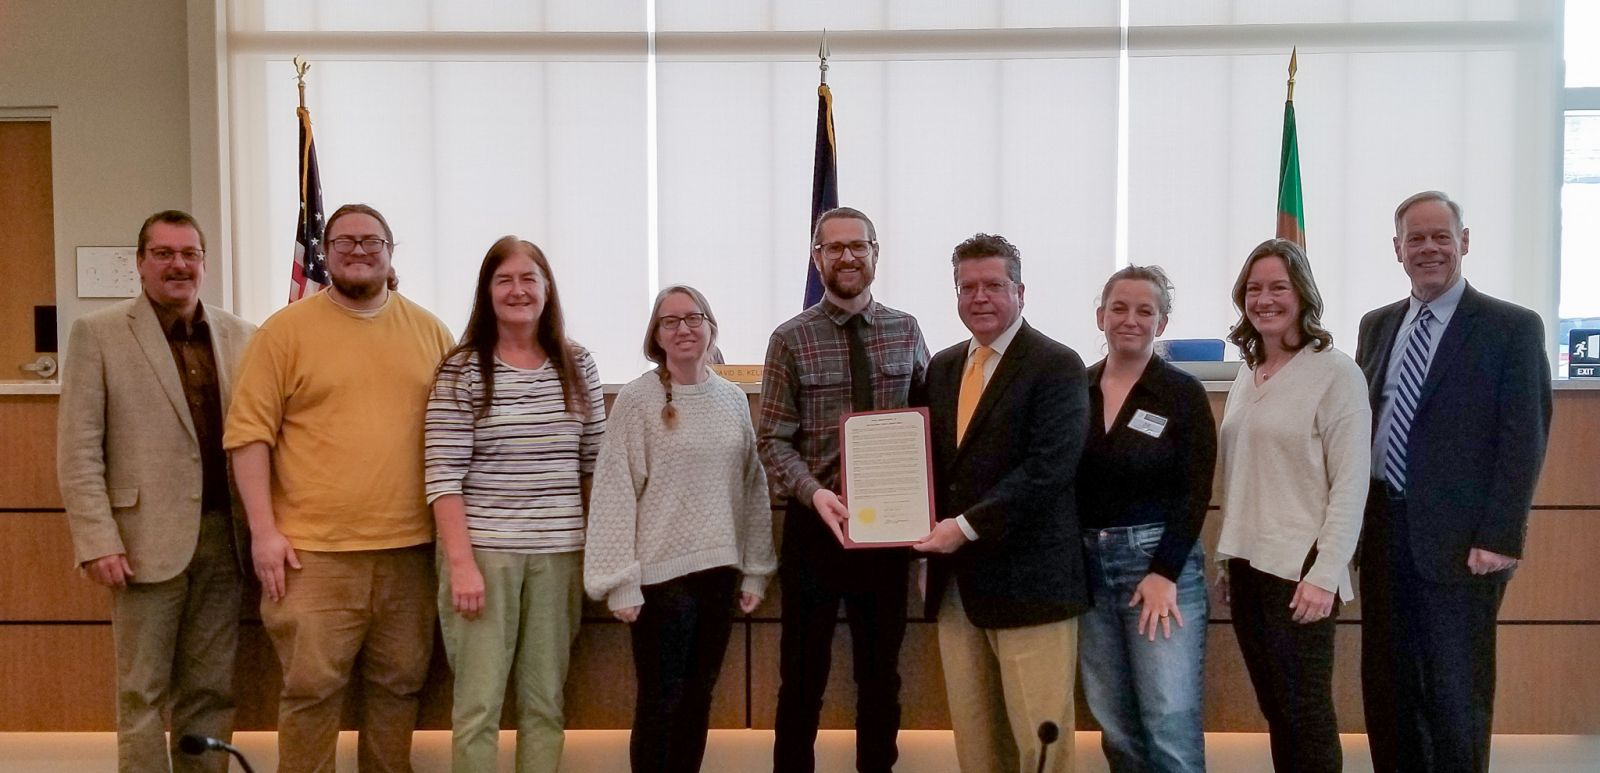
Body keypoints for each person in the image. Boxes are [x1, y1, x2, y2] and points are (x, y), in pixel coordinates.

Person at [225, 203, 455, 773]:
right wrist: (263, 533)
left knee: (399, 692)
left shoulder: (430, 331)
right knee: (311, 694)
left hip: (409, 554)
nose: (358, 250)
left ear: (390, 252)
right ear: (324, 251)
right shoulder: (284, 331)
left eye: (371, 241)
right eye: (345, 240)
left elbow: (454, 439)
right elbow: (248, 436)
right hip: (311, 557)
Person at [1356, 191, 1552, 773]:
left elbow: (1525, 437)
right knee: (1389, 687)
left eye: (1441, 236)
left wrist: (1501, 535)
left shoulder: (1510, 327)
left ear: (1464, 242)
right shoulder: (1376, 325)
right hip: (1384, 530)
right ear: (1398, 250)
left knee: (1455, 692)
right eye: (1416, 239)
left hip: (1466, 543)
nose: (1429, 248)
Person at [58, 210, 256, 773]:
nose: (178, 265)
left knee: (211, 691)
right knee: (141, 694)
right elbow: (78, 449)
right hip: (140, 543)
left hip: (226, 540)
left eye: (189, 253)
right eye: (164, 254)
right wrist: (97, 539)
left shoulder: (242, 336)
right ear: (140, 263)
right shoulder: (97, 334)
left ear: (204, 263)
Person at [758, 206, 929, 773]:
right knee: (801, 677)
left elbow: (928, 426)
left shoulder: (907, 330)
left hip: (890, 532)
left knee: (881, 676)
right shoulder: (790, 339)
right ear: (817, 257)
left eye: (859, 246)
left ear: (876, 254)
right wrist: (812, 493)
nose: (848, 256)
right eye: (835, 248)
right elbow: (773, 441)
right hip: (816, 527)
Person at [425, 236, 605, 772]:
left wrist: (599, 554)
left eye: (529, 278)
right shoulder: (461, 369)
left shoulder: (579, 364)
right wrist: (461, 565)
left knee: (545, 704)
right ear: (487, 292)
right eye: (504, 280)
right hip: (483, 558)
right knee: (478, 708)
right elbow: (442, 476)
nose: (518, 290)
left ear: (547, 289)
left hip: (559, 556)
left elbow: (595, 464)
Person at [913, 233, 1089, 773]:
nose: (980, 297)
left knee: (1040, 742)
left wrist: (962, 527)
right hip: (957, 589)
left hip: (1031, 584)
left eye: (993, 285)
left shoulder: (1057, 364)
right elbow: (926, 468)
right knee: (976, 740)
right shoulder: (941, 368)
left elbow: (1048, 470)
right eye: (967, 287)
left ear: (1020, 291)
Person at [585, 285, 777, 773]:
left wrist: (756, 570)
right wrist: (618, 580)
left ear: (711, 327)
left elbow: (751, 487)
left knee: (699, 699)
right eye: (670, 321)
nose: (684, 328)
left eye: (693, 318)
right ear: (656, 336)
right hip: (657, 583)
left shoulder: (733, 399)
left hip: (719, 574)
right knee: (659, 702)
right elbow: (613, 490)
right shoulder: (636, 399)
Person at [1213, 238, 1370, 773]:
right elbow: (1244, 477)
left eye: (1278, 286)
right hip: (1248, 567)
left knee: (1305, 713)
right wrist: (1226, 559)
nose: (1265, 299)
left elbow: (1351, 484)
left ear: (1302, 293)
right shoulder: (1248, 372)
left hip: (1301, 569)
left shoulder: (1336, 373)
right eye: (1253, 289)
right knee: (1277, 710)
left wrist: (1326, 573)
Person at [1075, 265, 1215, 773]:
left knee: (1168, 722)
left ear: (1162, 322)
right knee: (1116, 725)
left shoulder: (1181, 393)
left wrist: (1164, 572)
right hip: (1088, 571)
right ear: (1100, 316)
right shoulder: (1078, 387)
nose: (1130, 319)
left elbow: (1194, 491)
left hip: (1157, 568)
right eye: (1119, 308)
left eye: (1144, 310)